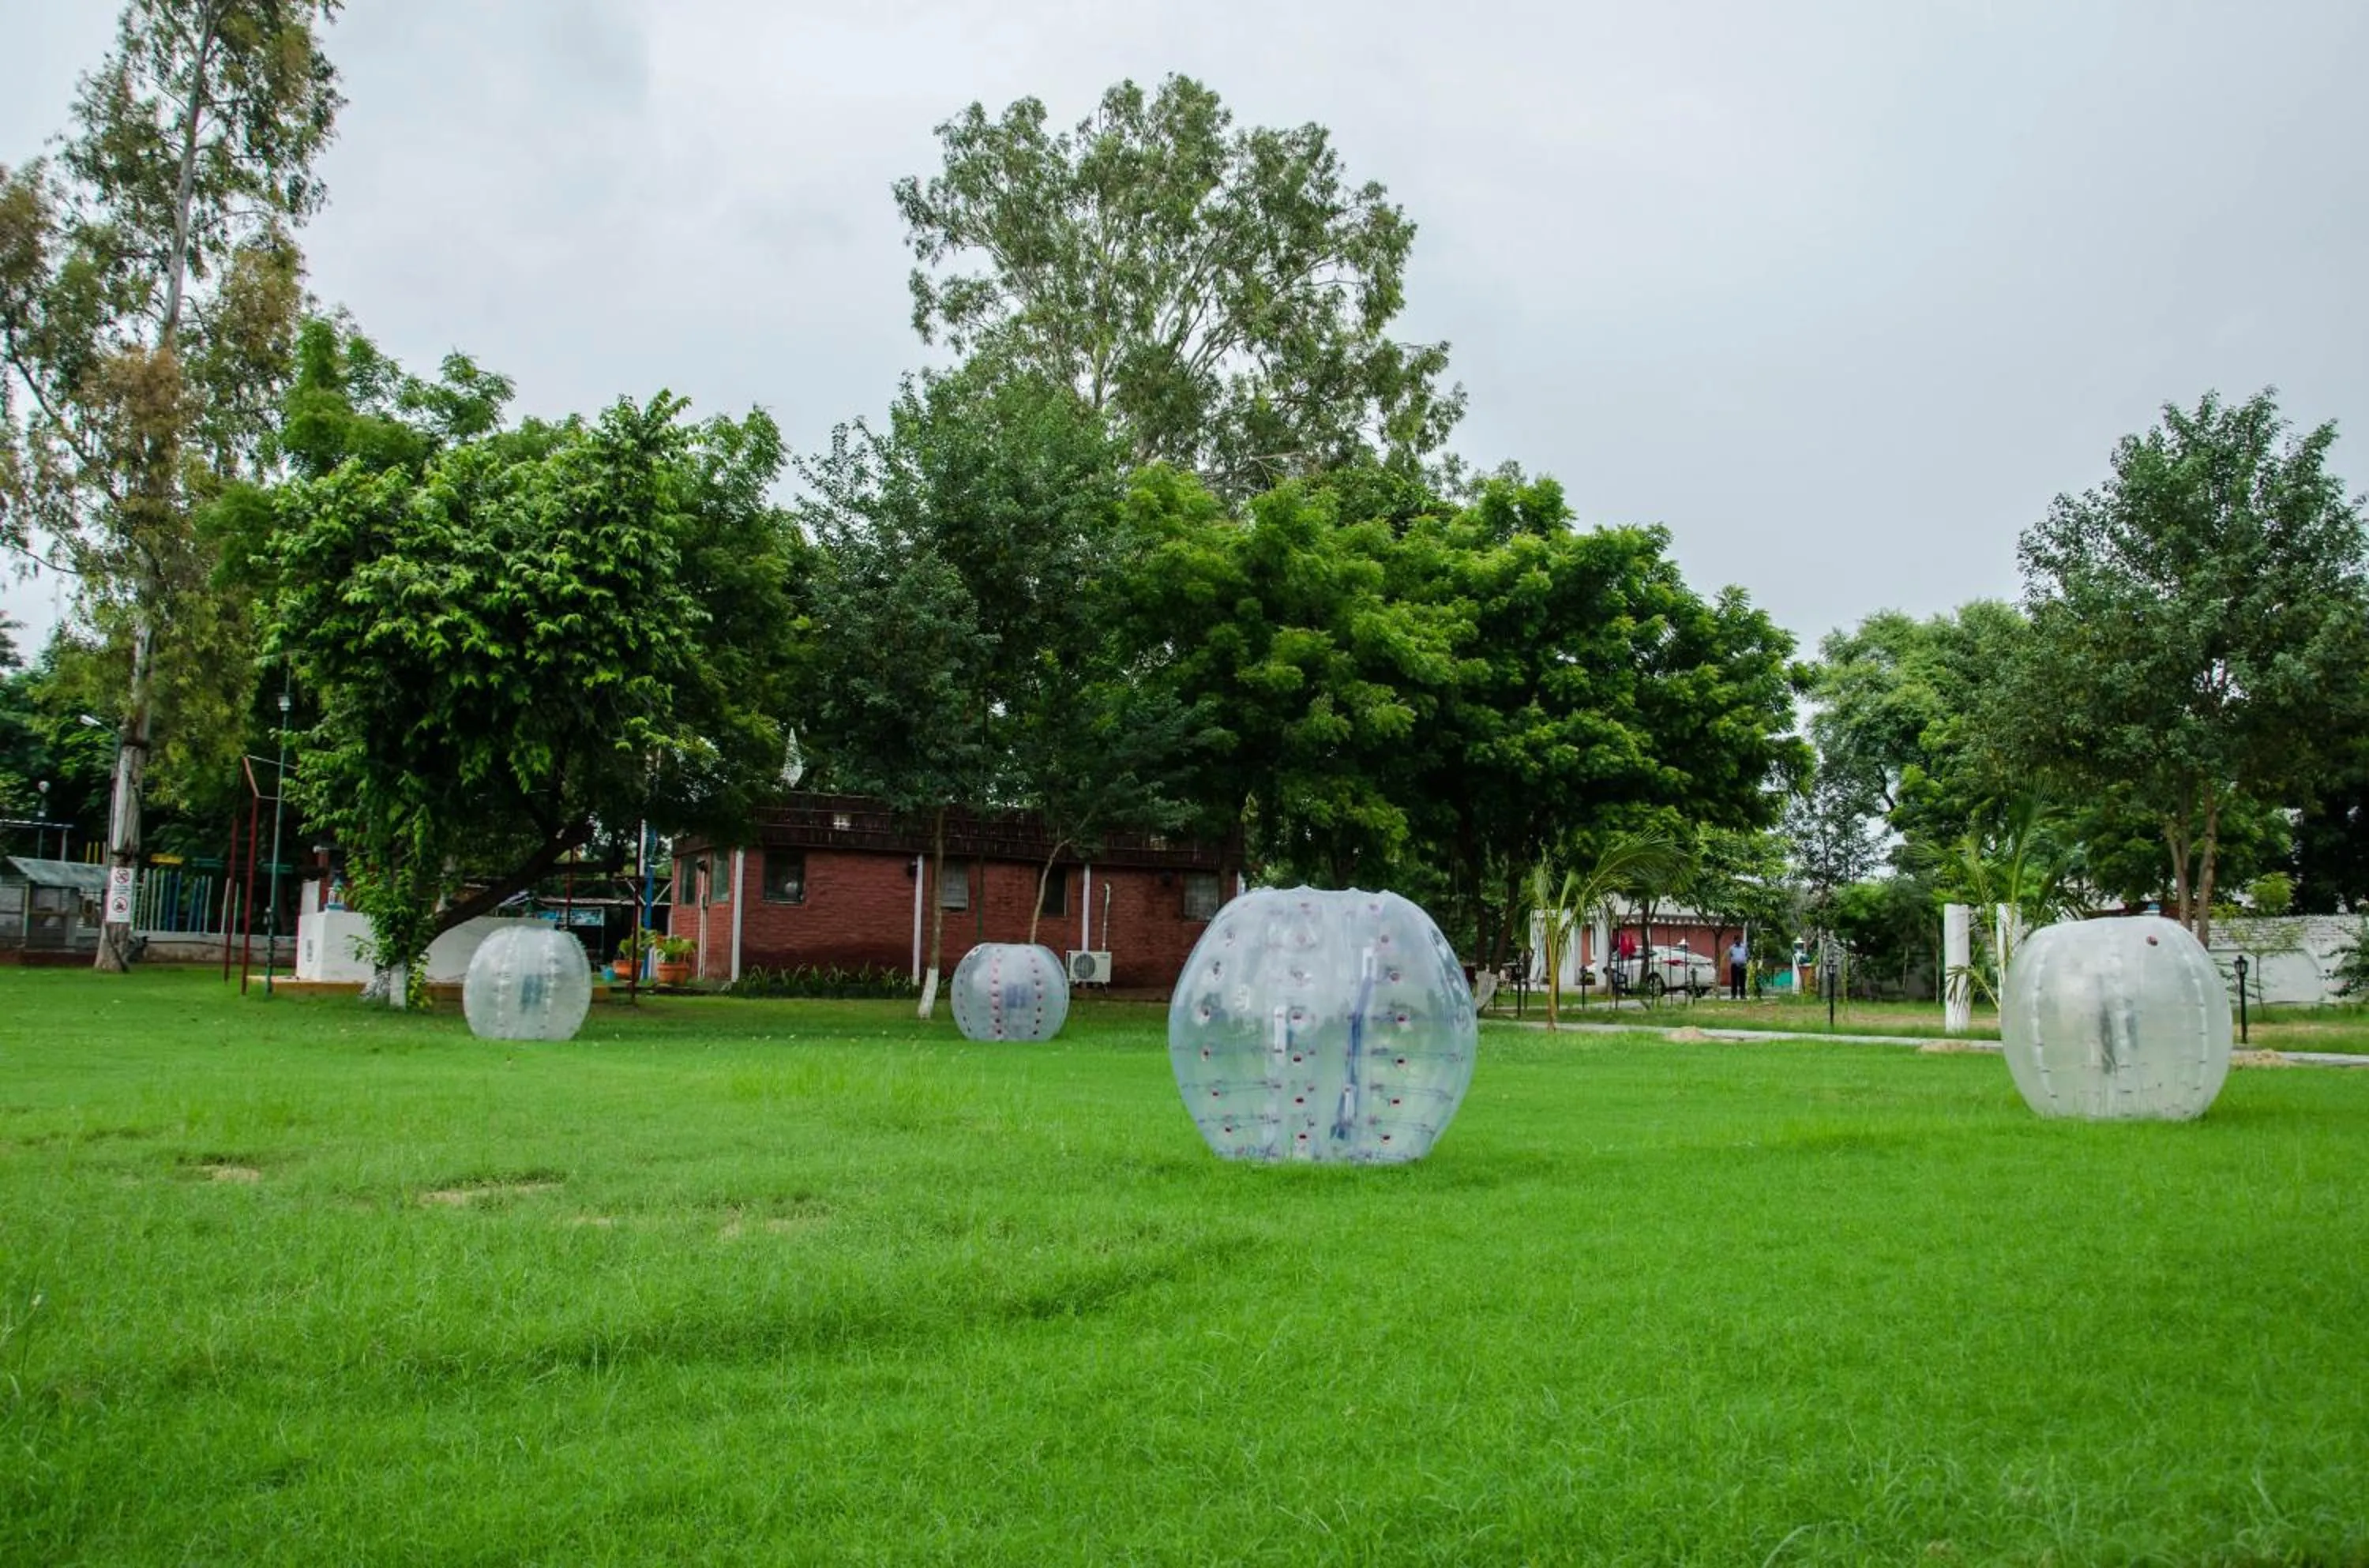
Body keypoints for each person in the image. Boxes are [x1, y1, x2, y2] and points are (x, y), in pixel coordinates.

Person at [1727, 936, 1750, 1000]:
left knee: (1742, 981)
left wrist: (1745, 961)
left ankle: (1743, 995)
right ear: (1735, 941)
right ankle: (1733, 995)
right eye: (1737, 940)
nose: (1738, 941)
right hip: (1735, 966)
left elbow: (1748, 955)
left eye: (1739, 940)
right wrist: (1734, 961)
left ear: (1740, 940)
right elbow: (1730, 956)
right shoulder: (1732, 948)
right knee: (1734, 981)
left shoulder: (1744, 947)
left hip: (1743, 966)